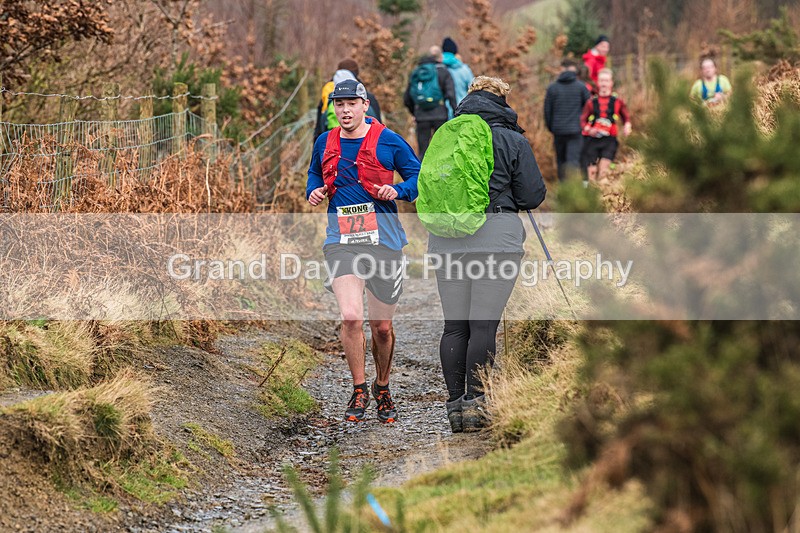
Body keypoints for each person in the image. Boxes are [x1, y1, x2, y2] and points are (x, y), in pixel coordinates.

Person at [426, 76, 547, 432]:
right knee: (482, 325)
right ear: (503, 101)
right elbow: (532, 196)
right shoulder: (512, 139)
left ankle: (454, 409)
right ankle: (477, 405)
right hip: (496, 238)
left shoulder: (447, 135)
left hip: (446, 239)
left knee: (455, 326)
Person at [307, 79, 420, 424]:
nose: (344, 110)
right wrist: (313, 191)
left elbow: (418, 177)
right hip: (341, 242)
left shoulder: (389, 141)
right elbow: (314, 174)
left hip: (384, 241)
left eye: (351, 104)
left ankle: (382, 386)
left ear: (365, 105)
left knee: (381, 327)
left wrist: (397, 190)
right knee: (352, 316)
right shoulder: (325, 141)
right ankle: (358, 388)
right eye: (338, 105)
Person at [579, 68, 632, 186]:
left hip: (609, 141)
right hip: (592, 141)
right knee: (591, 173)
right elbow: (582, 121)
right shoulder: (591, 102)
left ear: (611, 83)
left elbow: (626, 117)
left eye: (606, 81)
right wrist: (589, 129)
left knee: (604, 172)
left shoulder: (618, 101)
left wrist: (627, 126)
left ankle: (603, 198)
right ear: (598, 82)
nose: (604, 83)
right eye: (601, 81)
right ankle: (590, 198)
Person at [403, 46, 457, 158]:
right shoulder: (443, 72)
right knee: (442, 150)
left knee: (423, 151)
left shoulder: (417, 73)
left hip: (421, 116)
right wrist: (456, 112)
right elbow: (451, 94)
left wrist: (415, 112)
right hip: (440, 114)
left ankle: (422, 174)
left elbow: (407, 98)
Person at [544, 59, 591, 182]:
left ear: (561, 69)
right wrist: (585, 125)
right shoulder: (581, 87)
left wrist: (551, 127)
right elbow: (590, 107)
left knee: (561, 161)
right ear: (574, 69)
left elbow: (547, 111)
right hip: (576, 130)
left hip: (558, 130)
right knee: (573, 161)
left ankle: (563, 190)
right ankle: (572, 193)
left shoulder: (552, 88)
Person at [314, 59, 382, 141]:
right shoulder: (366, 96)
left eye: (352, 104)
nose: (345, 109)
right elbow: (378, 124)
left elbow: (319, 128)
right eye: (340, 104)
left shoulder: (328, 97)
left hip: (332, 145)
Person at [441, 37, 474, 118]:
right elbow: (474, 89)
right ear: (455, 52)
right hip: (462, 109)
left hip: (441, 112)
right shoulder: (464, 69)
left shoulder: (437, 68)